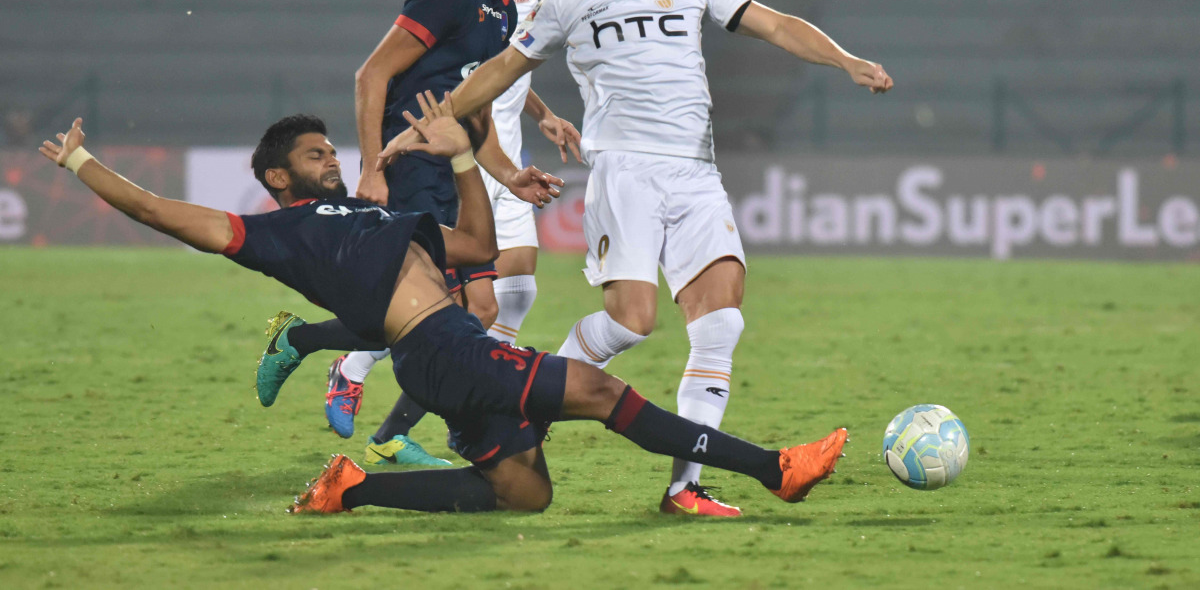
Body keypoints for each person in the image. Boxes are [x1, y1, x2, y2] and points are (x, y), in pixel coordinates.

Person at [38, 101, 848, 516]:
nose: (329, 158)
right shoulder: (276, 234)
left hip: (446, 345)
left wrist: (464, 159)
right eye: (313, 154)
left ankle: (352, 488)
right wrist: (80, 162)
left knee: (525, 493)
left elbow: (477, 244)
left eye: (328, 148)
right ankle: (772, 469)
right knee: (602, 393)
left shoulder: (373, 213)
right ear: (279, 177)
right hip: (440, 348)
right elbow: (156, 209)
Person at [379, 0, 893, 517]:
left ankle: (685, 489)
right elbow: (504, 68)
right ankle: (523, 401)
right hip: (626, 173)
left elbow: (776, 24)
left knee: (721, 322)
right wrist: (430, 122)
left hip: (697, 172)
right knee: (631, 322)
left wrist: (845, 59)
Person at [257, 0, 570, 469]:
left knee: (479, 309)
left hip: (450, 169)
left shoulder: (504, 3)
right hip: (410, 169)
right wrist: (374, 167)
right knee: (434, 309)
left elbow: (472, 108)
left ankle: (338, 376)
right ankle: (328, 366)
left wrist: (508, 173)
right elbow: (372, 74)